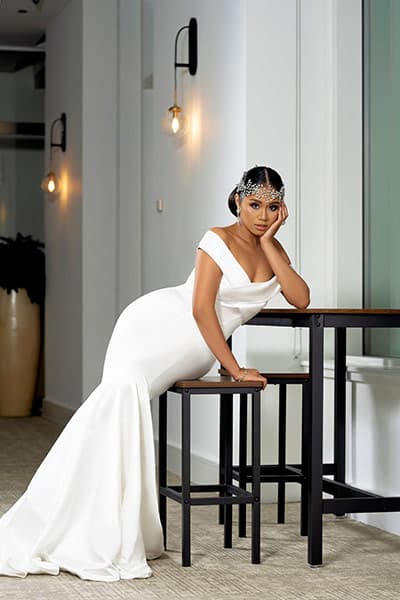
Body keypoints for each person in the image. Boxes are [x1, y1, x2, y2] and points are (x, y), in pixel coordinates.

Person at [0, 165, 310, 582]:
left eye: (272, 207)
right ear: (238, 200)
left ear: (282, 211)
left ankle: (105, 524)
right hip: (160, 324)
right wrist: (234, 369)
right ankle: (72, 522)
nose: (262, 215)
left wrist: (271, 242)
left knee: (120, 406)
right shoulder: (217, 238)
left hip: (197, 345)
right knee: (116, 403)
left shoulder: (273, 251)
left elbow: (301, 298)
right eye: (254, 204)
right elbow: (202, 309)